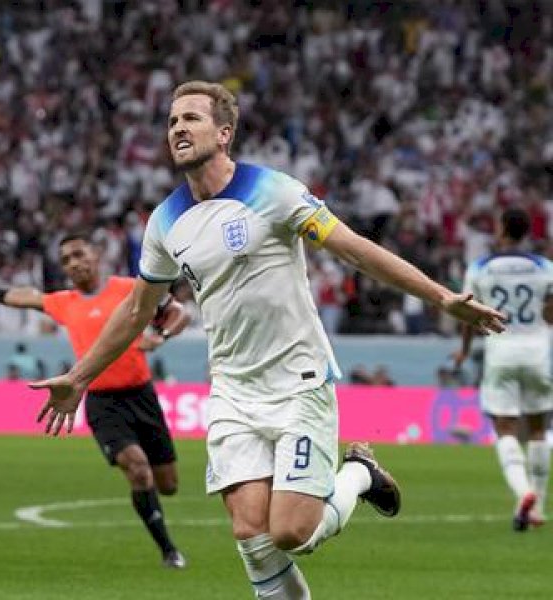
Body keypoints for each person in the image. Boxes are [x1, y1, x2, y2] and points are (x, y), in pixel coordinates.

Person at [30, 81, 505, 599]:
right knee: (251, 535)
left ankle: (359, 473)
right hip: (234, 390)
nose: (178, 129)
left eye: (191, 118)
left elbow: (353, 248)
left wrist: (441, 298)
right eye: (171, 122)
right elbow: (138, 309)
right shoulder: (165, 221)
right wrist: (79, 378)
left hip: (299, 381)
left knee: (291, 533)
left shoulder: (273, 191)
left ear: (224, 132)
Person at [0, 232, 192, 568]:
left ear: (96, 255)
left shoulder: (129, 288)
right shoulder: (65, 302)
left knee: (169, 485)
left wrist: (160, 335)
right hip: (101, 402)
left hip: (142, 395)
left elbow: (179, 312)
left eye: (78, 254)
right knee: (137, 469)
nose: (73, 263)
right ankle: (168, 550)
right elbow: (30, 297)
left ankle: (158, 519)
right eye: (65, 260)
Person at [454, 207, 552, 531]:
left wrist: (465, 351)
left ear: (502, 229)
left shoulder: (481, 268)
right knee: (538, 427)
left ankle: (523, 492)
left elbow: (469, 312)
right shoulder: (544, 268)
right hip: (538, 352)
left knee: (505, 428)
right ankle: (537, 504)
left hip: (501, 353)